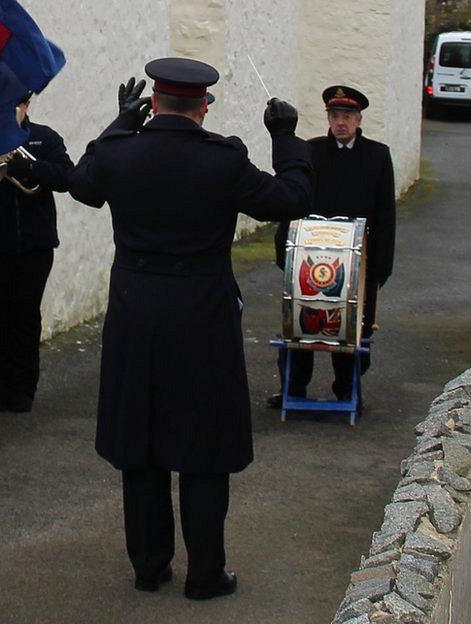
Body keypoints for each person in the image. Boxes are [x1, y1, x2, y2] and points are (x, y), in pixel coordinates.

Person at [68, 58, 312, 601]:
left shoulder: (119, 152)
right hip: (201, 314)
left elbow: (82, 184)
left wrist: (119, 124)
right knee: (204, 443)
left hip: (135, 314)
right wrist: (287, 137)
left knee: (142, 439)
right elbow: (291, 198)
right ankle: (205, 572)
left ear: (152, 102)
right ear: (204, 106)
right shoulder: (222, 160)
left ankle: (149, 565)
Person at [270, 84, 396, 408]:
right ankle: (294, 388)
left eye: (348, 116)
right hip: (310, 257)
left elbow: (385, 214)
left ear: (359, 119)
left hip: (358, 261)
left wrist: (381, 268)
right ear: (328, 117)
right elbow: (294, 200)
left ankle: (347, 388)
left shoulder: (377, 155)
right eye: (336, 115)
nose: (341, 122)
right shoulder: (310, 151)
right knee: (301, 321)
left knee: (355, 328)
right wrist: (283, 248)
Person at [0, 94, 74, 413]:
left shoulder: (45, 138)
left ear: (27, 107)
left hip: (35, 245)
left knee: (26, 316)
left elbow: (66, 177)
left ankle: (24, 389)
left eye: (17, 106)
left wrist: (30, 165)